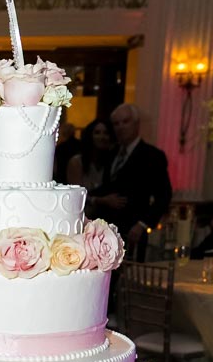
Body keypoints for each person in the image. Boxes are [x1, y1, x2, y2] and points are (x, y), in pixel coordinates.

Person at [87, 104, 172, 256]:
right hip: (105, 230)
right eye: (116, 124)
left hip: (132, 232)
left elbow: (163, 196)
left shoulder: (152, 156)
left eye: (125, 122)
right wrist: (92, 198)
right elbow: (107, 187)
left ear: (136, 124)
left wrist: (142, 224)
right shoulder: (112, 153)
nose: (120, 127)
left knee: (128, 276)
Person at [66, 117, 114, 191]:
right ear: (90, 136)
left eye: (106, 133)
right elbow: (76, 194)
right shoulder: (77, 162)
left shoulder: (113, 161)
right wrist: (98, 200)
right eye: (97, 133)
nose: (102, 137)